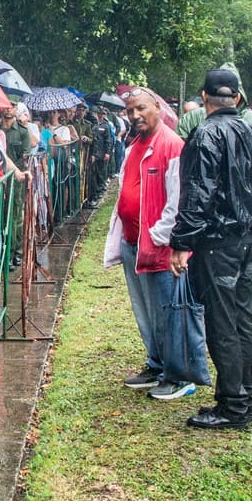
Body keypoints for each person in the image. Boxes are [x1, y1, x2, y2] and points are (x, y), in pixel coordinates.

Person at [170, 67, 252, 431]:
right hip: (247, 240)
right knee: (240, 318)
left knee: (222, 322)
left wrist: (183, 242)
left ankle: (235, 404)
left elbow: (196, 193)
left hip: (220, 243)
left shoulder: (206, 134)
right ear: (236, 98)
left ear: (204, 98)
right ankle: (242, 393)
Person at [104, 89, 210, 400]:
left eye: (140, 109)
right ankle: (157, 363)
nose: (134, 115)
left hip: (160, 248)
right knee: (146, 312)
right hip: (132, 243)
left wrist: (158, 237)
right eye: (130, 111)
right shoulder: (134, 144)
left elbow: (177, 202)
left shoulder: (171, 146)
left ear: (157, 108)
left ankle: (180, 375)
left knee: (171, 312)